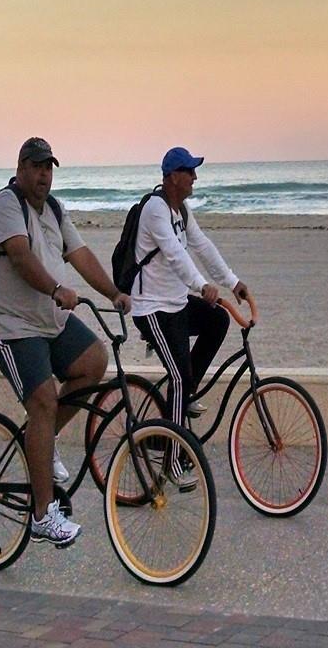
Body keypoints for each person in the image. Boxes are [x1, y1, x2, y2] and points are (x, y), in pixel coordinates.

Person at [0, 137, 131, 548]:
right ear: (21, 168)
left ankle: (46, 441)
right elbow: (20, 256)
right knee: (44, 400)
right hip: (10, 326)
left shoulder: (55, 209)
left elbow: (81, 255)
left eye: (49, 168)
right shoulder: (7, 205)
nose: (44, 175)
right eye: (37, 166)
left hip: (49, 321)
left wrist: (113, 292)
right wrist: (56, 289)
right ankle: (43, 516)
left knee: (93, 362)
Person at [129, 147, 253, 484]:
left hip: (177, 303)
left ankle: (184, 399)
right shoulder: (155, 209)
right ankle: (171, 463)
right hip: (151, 308)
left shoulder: (181, 210)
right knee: (179, 377)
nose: (195, 177)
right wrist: (202, 285)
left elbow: (202, 246)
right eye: (189, 171)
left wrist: (232, 282)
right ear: (172, 177)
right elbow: (174, 254)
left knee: (218, 320)